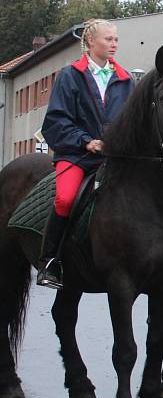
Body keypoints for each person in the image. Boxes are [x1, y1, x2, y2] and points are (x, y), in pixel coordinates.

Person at [37, 19, 134, 289]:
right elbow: (55, 121)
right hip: (77, 156)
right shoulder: (69, 75)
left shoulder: (127, 80)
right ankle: (50, 261)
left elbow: (133, 122)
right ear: (91, 42)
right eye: (108, 39)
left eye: (116, 39)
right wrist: (85, 142)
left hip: (114, 159)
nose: (114, 44)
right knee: (66, 199)